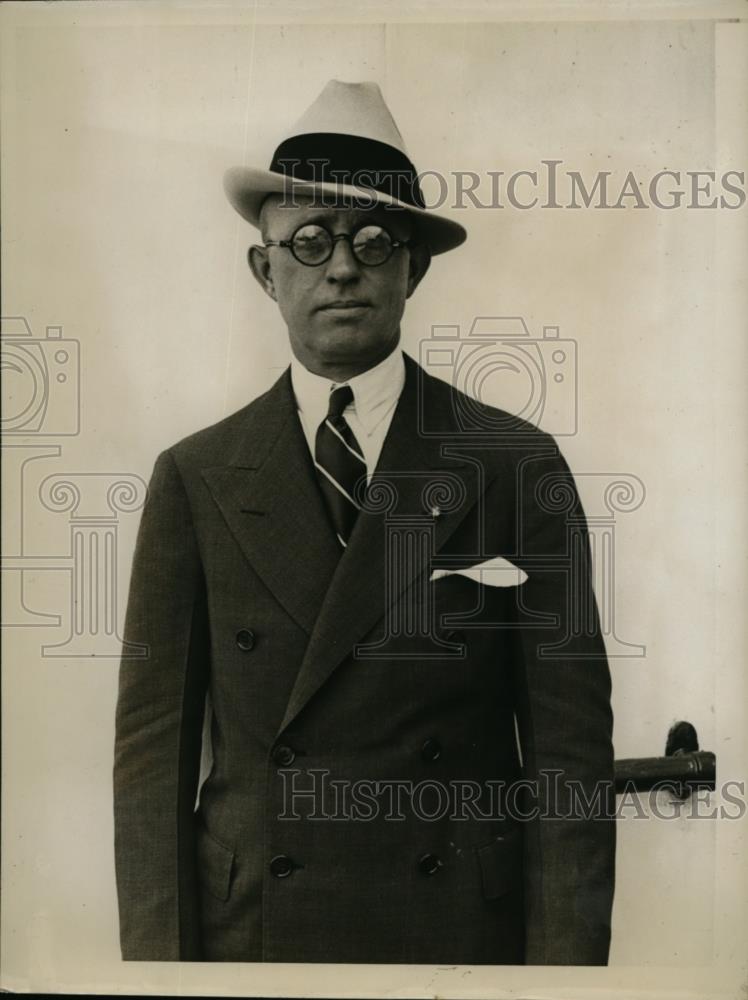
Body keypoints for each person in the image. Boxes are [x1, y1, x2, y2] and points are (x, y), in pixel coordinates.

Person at [113, 79, 615, 965]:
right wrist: (159, 977)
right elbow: (152, 762)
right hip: (257, 945)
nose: (341, 265)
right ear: (265, 270)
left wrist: (565, 982)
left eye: (374, 238)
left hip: (455, 939)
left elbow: (569, 759)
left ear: (413, 266)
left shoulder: (514, 466)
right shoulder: (193, 478)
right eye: (309, 239)